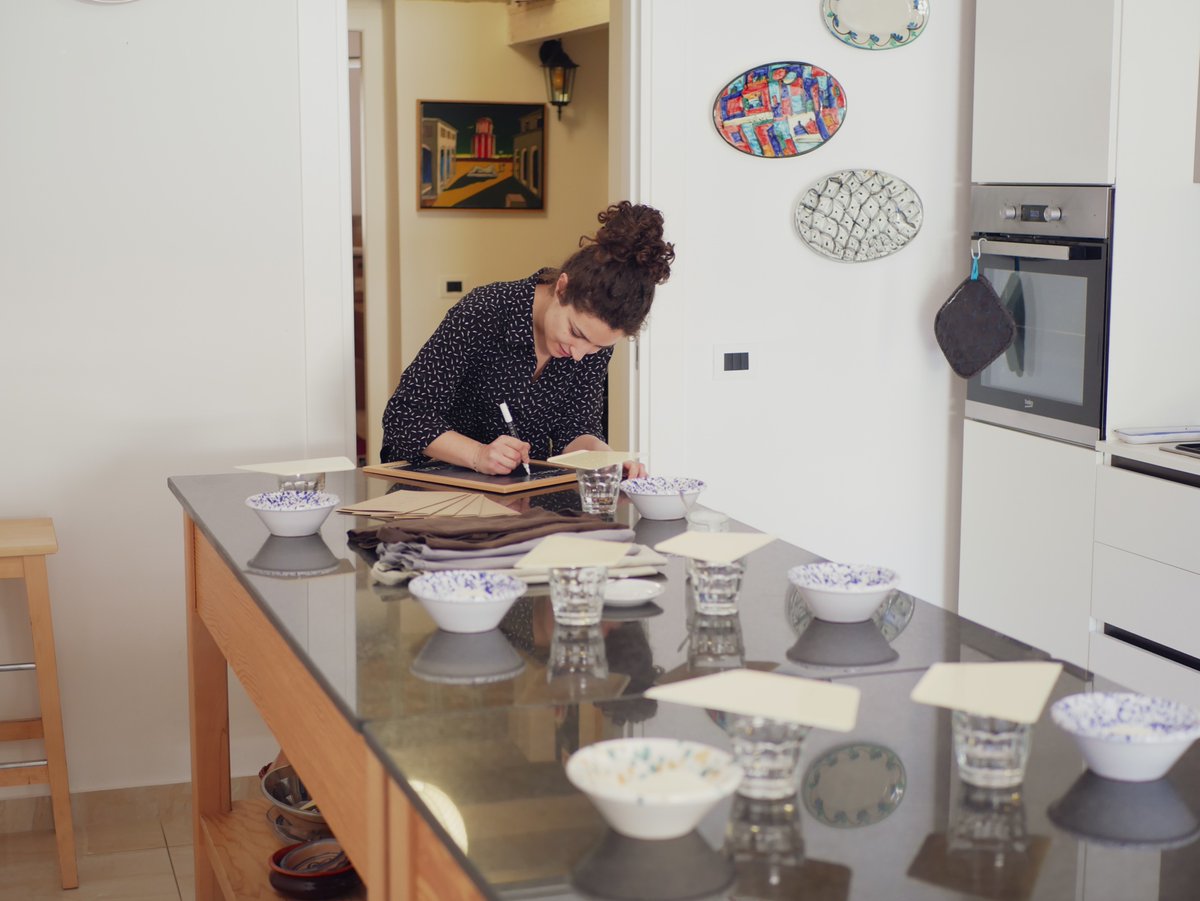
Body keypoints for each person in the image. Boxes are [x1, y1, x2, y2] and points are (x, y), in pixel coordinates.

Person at [380, 201, 674, 478]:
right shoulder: (485, 311)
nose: (579, 354)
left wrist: (606, 458)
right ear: (562, 288)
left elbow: (575, 428)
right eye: (576, 333)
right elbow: (405, 415)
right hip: (433, 480)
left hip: (514, 489)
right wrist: (478, 455)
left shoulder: (589, 346)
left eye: (598, 347)